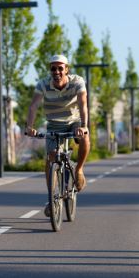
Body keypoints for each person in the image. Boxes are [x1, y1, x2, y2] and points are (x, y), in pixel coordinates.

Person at [25, 54, 90, 216]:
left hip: (74, 121)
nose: (57, 72)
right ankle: (53, 197)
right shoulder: (43, 84)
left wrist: (83, 126)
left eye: (60, 68)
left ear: (66, 69)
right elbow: (33, 106)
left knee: (85, 137)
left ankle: (79, 170)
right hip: (54, 124)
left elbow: (83, 104)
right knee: (51, 158)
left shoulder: (77, 82)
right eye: (53, 68)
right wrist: (29, 127)